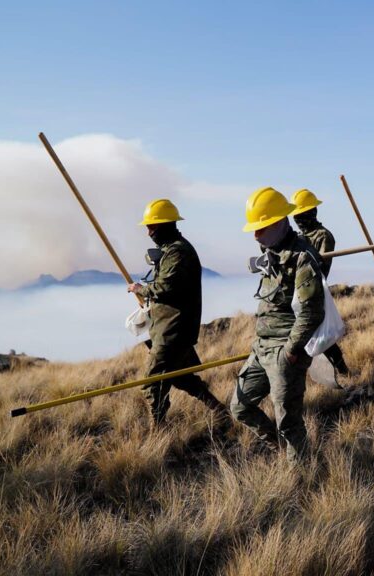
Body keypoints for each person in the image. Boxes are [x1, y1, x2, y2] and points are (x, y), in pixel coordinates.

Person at [231, 187, 325, 463]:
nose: (255, 235)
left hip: (285, 350)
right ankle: (282, 450)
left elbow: (311, 312)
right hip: (261, 348)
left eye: (261, 228)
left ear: (279, 222)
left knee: (289, 422)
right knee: (240, 406)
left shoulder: (302, 257)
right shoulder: (273, 252)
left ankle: (301, 476)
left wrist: (291, 350)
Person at [127, 199, 230, 428]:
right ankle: (220, 411)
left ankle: (159, 429)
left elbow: (166, 287)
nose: (148, 232)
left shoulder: (178, 253)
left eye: (152, 227)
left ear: (165, 224)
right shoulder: (169, 250)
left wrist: (140, 290)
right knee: (181, 377)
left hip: (174, 330)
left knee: (152, 382)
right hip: (167, 327)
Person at [290, 188, 350, 375]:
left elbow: (321, 267)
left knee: (321, 336)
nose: (299, 220)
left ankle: (342, 370)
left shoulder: (323, 236)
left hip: (313, 292)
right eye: (296, 216)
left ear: (312, 212)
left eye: (302, 215)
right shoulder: (298, 238)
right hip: (294, 294)